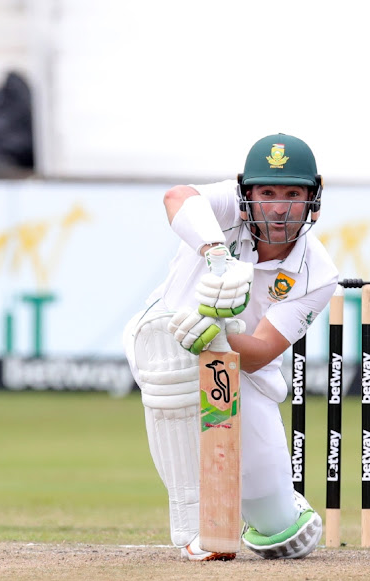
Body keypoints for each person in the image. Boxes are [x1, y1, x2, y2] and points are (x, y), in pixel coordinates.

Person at [123, 133, 338, 561]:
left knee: (283, 535)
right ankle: (194, 525)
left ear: (313, 198)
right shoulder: (225, 205)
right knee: (173, 355)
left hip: (240, 368)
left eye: (293, 193)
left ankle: (276, 505)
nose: (279, 207)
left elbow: (261, 351)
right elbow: (175, 196)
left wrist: (218, 335)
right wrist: (215, 250)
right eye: (268, 192)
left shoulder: (319, 274)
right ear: (248, 194)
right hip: (165, 336)